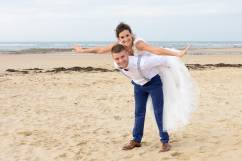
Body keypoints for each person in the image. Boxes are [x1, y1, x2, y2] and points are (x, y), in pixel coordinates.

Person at [111, 44, 172, 152]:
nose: (120, 60)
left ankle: (165, 141)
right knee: (139, 112)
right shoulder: (116, 65)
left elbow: (163, 59)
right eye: (117, 58)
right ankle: (136, 140)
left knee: (158, 112)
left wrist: (173, 65)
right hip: (138, 86)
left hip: (154, 83)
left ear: (127, 54)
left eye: (122, 57)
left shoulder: (143, 62)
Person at [73, 22, 189, 57]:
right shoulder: (119, 45)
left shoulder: (138, 44)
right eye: (122, 37)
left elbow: (156, 50)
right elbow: (101, 50)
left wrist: (177, 53)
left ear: (131, 34)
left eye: (127, 35)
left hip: (155, 62)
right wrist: (82, 50)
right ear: (118, 38)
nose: (125, 39)